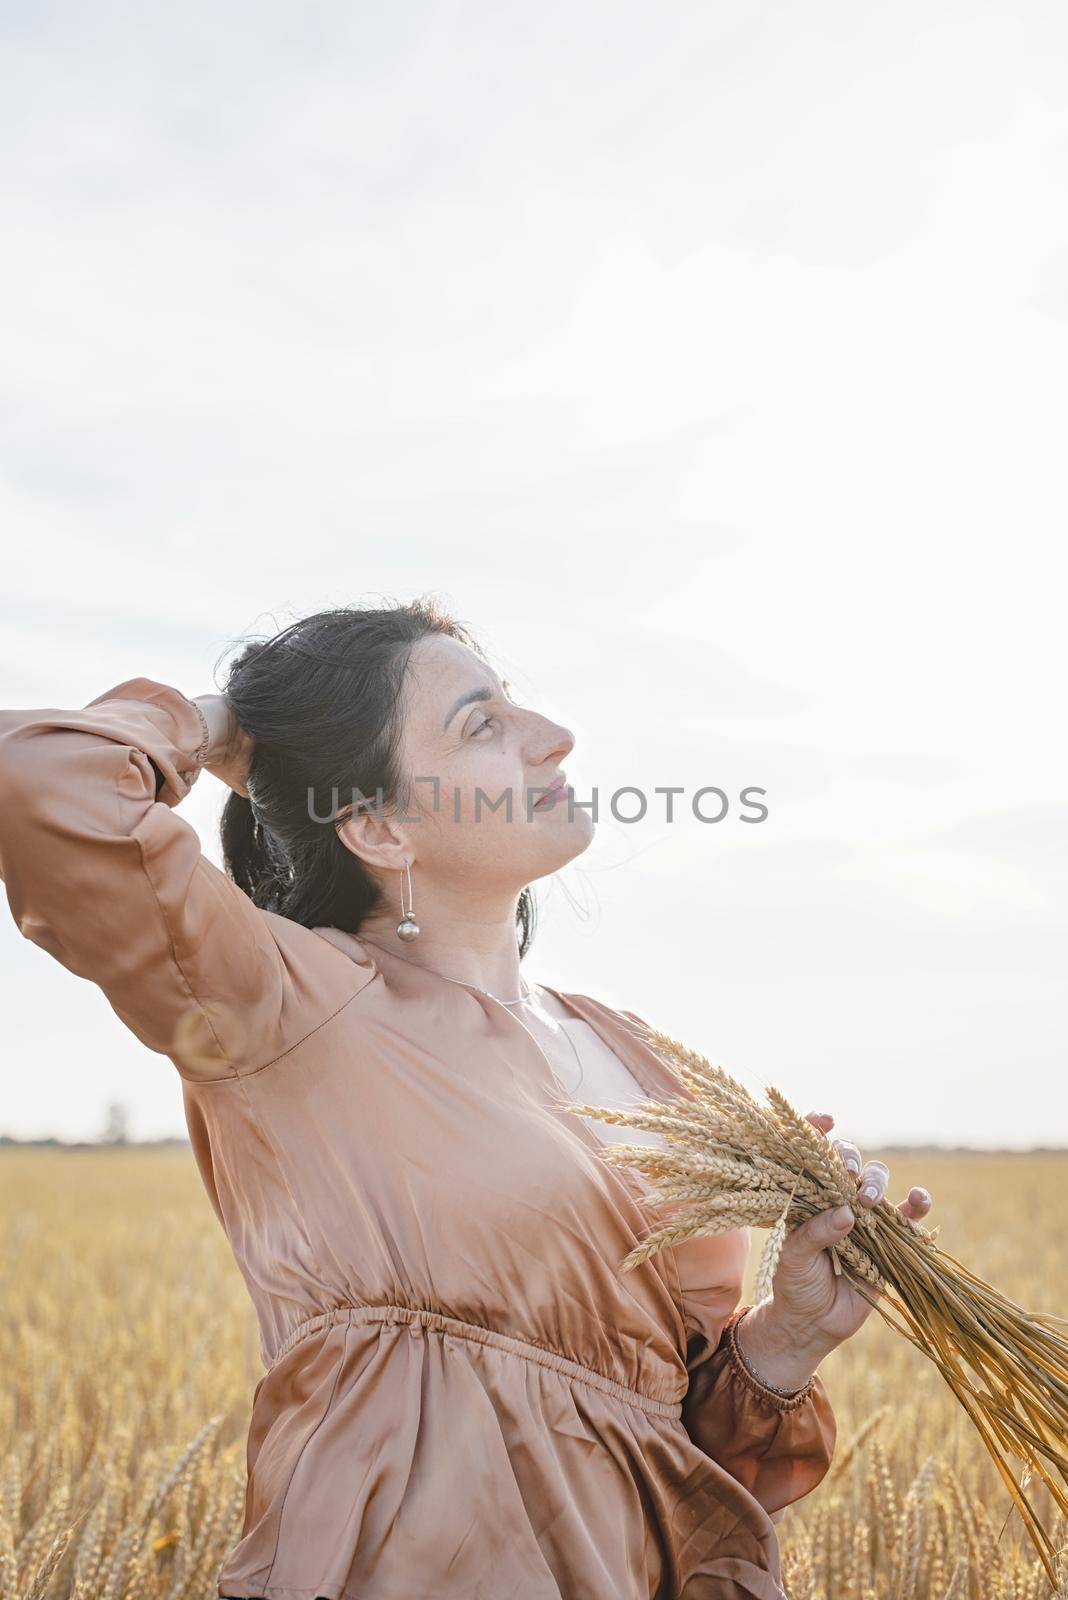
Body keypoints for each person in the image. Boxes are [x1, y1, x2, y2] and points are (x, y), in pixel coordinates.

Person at [0, 599, 932, 1600]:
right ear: (378, 825)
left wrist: (785, 1340)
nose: (555, 738)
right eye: (483, 724)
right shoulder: (284, 1002)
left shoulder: (639, 1056)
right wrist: (227, 725)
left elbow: (661, 1441)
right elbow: (38, 780)